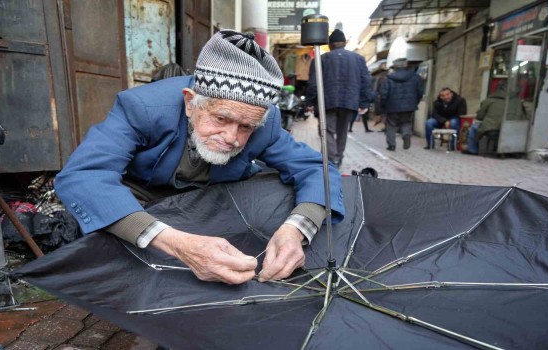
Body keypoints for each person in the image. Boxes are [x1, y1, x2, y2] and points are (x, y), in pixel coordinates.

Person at [54, 30, 345, 286]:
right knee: (112, 236)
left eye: (246, 127)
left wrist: (295, 230)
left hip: (208, 202)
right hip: (144, 198)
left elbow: (316, 170)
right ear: (191, 102)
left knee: (281, 190)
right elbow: (83, 177)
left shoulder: (264, 124)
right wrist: (175, 242)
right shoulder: (142, 107)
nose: (232, 137)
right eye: (221, 118)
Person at [305, 29, 373, 168]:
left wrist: (310, 101)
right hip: (349, 101)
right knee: (342, 131)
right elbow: (366, 81)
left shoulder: (321, 59)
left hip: (327, 102)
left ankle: (332, 159)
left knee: (326, 130)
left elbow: (313, 82)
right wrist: (364, 102)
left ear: (330, 44)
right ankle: (339, 157)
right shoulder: (358, 59)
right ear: (344, 43)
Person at [464, 83, 524, 155]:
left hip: (491, 128)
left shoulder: (489, 100)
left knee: (473, 128)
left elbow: (480, 116)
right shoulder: (517, 102)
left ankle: (473, 150)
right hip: (511, 129)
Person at [379, 58, 424, 151]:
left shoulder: (389, 78)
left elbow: (384, 94)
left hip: (392, 106)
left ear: (395, 66)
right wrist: (415, 102)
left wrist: (383, 106)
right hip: (409, 105)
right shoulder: (415, 77)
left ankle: (392, 145)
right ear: (406, 65)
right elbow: (420, 92)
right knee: (406, 122)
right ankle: (406, 134)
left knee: (391, 124)